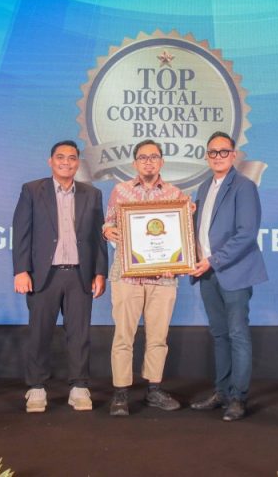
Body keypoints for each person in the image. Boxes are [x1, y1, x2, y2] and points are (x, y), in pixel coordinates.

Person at [12, 140, 108, 413]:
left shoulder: (92, 194)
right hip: (44, 276)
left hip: (79, 275)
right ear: (50, 161)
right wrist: (21, 270)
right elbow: (21, 233)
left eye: (72, 158)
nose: (66, 162)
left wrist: (100, 272)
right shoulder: (32, 190)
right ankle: (36, 388)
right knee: (39, 334)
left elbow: (98, 237)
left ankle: (79, 387)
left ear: (78, 162)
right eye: (61, 157)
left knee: (79, 335)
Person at [189, 131, 268, 421]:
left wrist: (213, 260)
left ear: (233, 155)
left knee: (237, 334)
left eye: (224, 151)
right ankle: (221, 391)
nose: (218, 156)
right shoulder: (203, 187)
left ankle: (238, 397)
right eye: (213, 152)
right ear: (207, 156)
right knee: (220, 335)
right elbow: (201, 229)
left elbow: (246, 234)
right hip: (208, 273)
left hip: (234, 272)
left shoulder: (244, 186)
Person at [102, 139, 185, 416]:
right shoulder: (120, 191)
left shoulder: (176, 195)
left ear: (162, 161)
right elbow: (109, 222)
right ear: (134, 163)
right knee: (123, 336)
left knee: (158, 337)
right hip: (127, 276)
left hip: (163, 278)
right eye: (143, 157)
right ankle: (120, 393)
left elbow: (182, 235)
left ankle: (154, 390)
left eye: (154, 156)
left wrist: (178, 259)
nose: (148, 161)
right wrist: (107, 230)